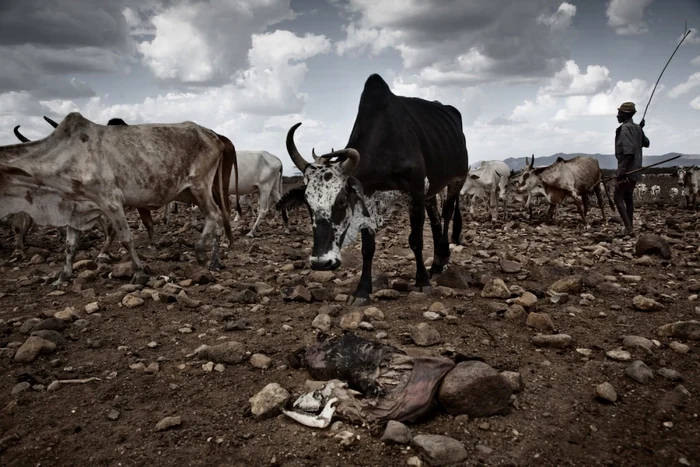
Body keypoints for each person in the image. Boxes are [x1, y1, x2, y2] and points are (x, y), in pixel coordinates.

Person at [614, 101, 650, 236]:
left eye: (619, 113)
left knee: (617, 197)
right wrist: (640, 130)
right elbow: (646, 143)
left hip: (628, 170)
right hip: (636, 170)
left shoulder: (624, 128)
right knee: (628, 197)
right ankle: (630, 228)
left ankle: (628, 227)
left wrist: (621, 172)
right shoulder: (637, 128)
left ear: (624, 115)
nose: (617, 115)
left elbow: (628, 153)